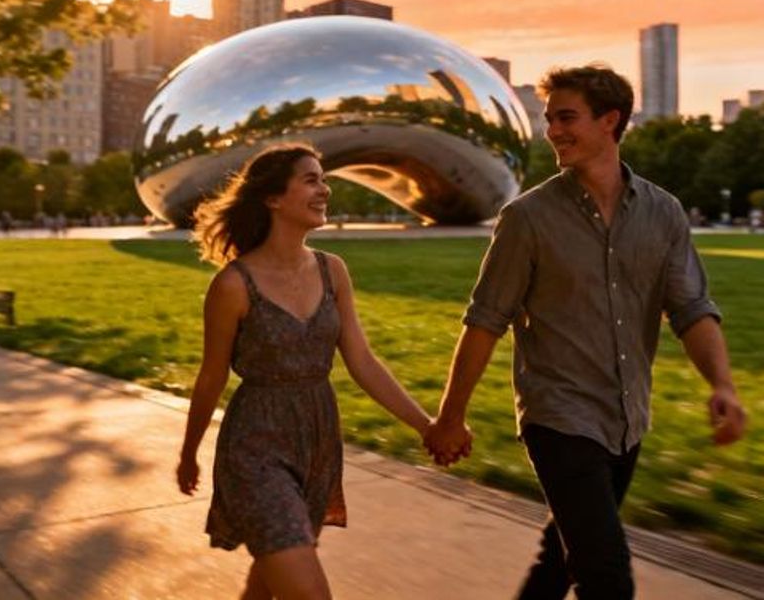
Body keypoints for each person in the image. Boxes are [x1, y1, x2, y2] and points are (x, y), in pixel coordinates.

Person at [424, 65, 746, 599]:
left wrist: (723, 384)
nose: (553, 131)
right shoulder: (527, 218)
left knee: (560, 562)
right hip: (558, 418)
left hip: (627, 419)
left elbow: (690, 307)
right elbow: (485, 320)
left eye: (566, 117)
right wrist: (451, 415)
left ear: (610, 121)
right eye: (550, 119)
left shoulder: (663, 212)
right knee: (606, 576)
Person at [176, 142, 431, 600]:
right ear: (274, 198)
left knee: (268, 583)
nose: (325, 190)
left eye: (324, 179)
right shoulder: (233, 285)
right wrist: (189, 453)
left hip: (316, 440)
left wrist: (426, 425)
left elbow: (363, 362)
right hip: (255, 446)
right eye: (311, 180)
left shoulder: (333, 271)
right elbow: (211, 377)